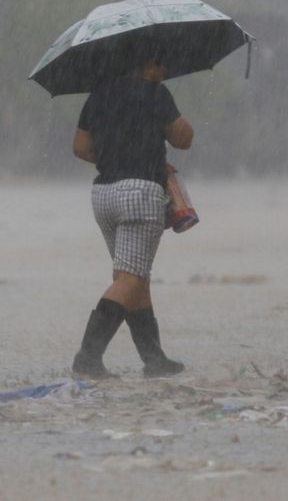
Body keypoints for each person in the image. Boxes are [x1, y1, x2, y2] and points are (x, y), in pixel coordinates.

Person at [69, 48, 195, 379]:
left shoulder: (98, 96)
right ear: (146, 63)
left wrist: (114, 152)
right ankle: (88, 357)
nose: (165, 71)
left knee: (134, 276)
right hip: (140, 193)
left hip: (104, 195)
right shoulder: (156, 93)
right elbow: (184, 138)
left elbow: (80, 147)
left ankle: (154, 359)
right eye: (160, 63)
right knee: (129, 279)